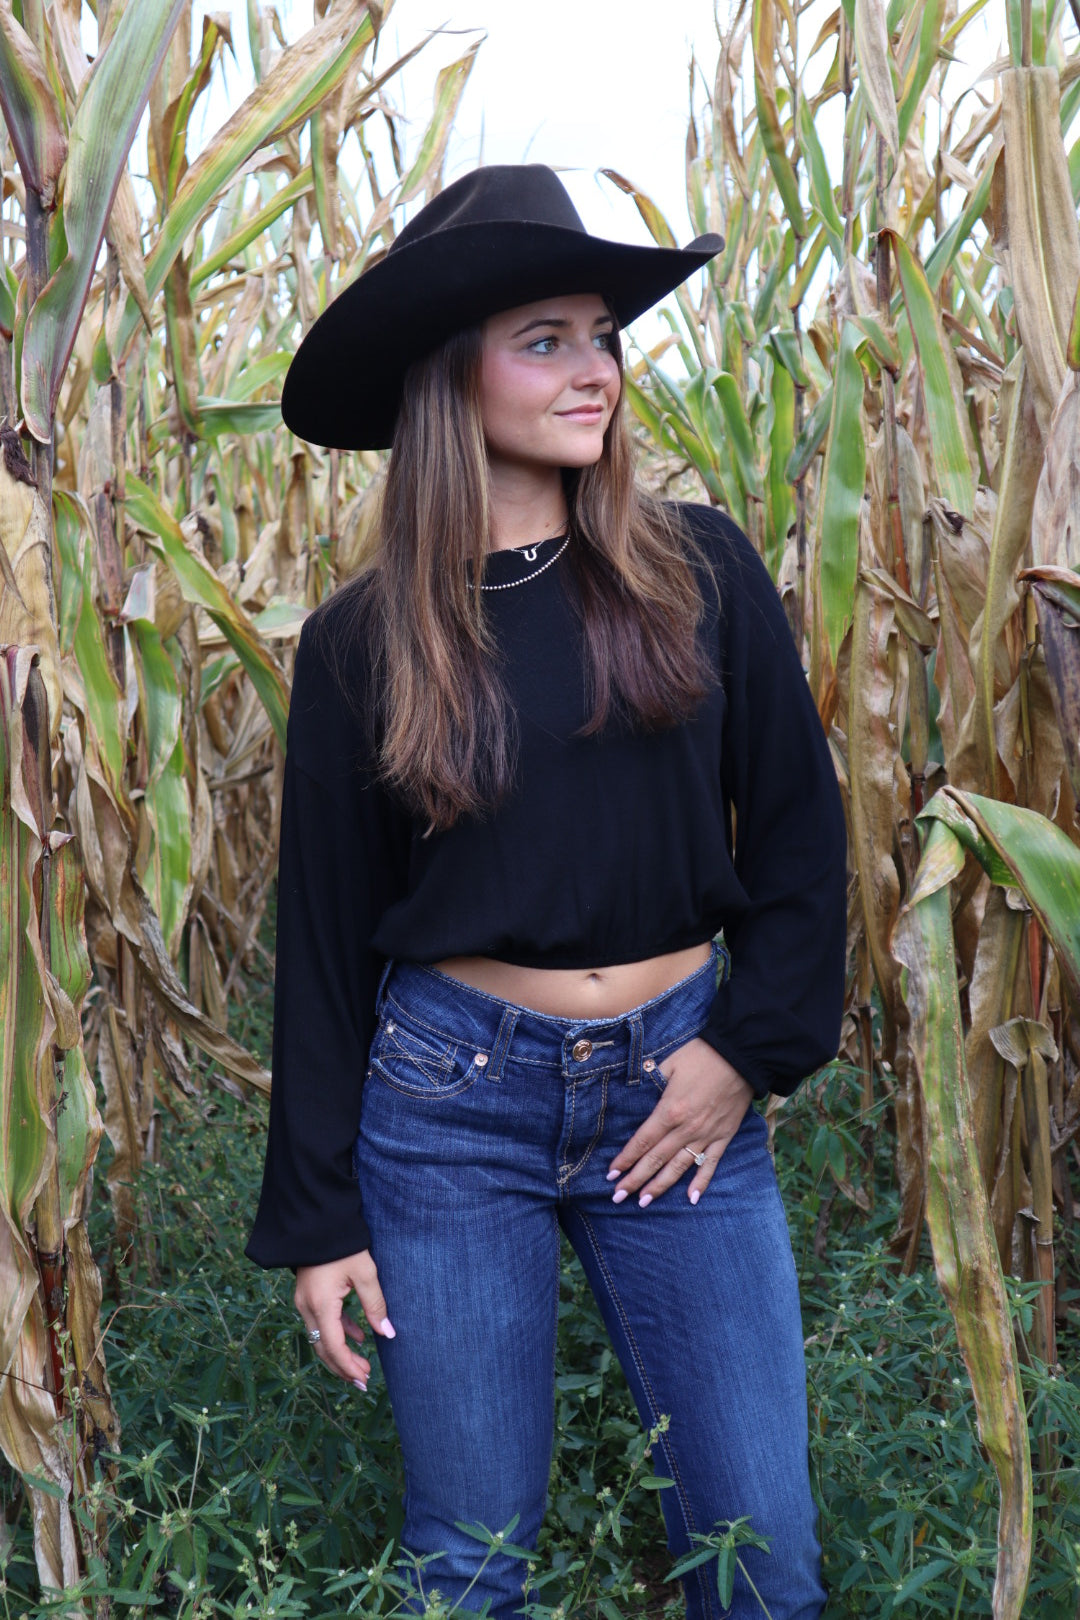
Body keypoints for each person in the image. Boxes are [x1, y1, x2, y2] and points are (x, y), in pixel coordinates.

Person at [246, 164, 847, 1620]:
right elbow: (321, 943)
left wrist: (743, 1052)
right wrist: (319, 1216)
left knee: (763, 1560)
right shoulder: (363, 643)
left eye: (604, 336)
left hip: (679, 1094)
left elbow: (799, 837)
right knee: (470, 1565)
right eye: (546, 340)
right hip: (451, 1112)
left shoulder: (697, 570)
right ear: (451, 375)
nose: (597, 370)